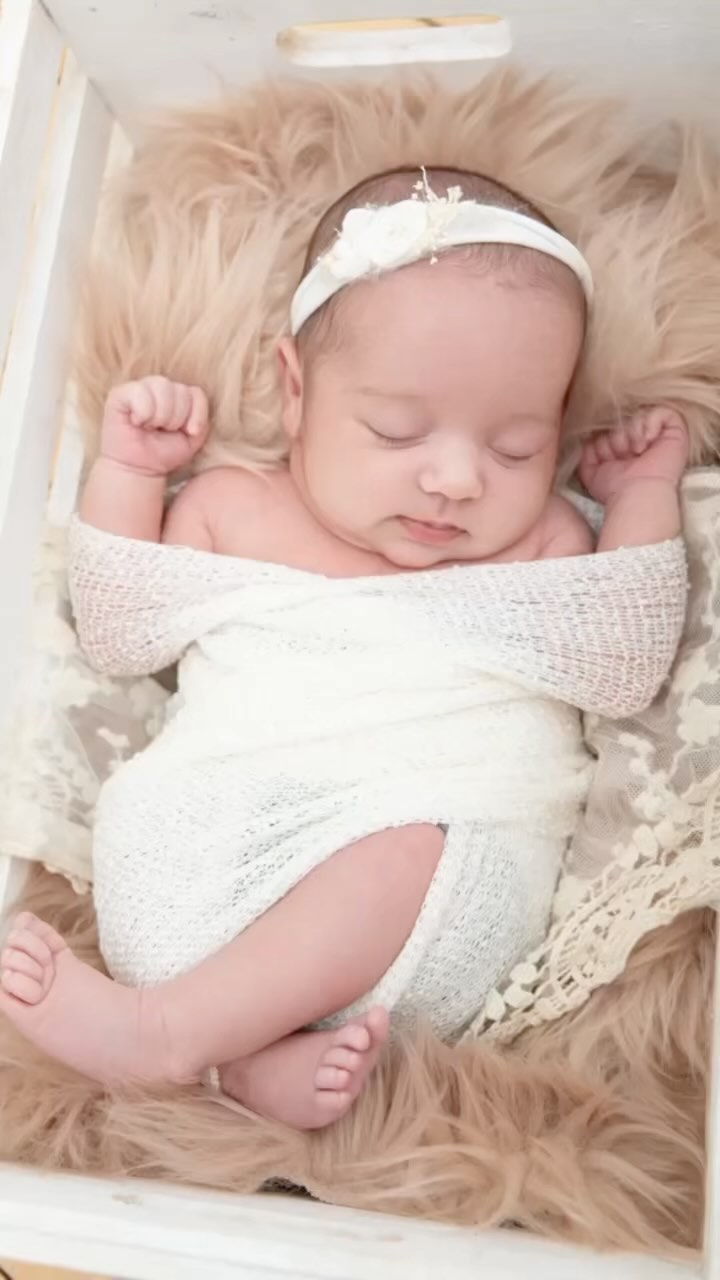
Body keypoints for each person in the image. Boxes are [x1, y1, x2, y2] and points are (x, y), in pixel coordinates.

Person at [0, 167, 688, 1130]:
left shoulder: (543, 543)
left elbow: (622, 661)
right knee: (295, 845)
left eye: (518, 447)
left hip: (432, 907)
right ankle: (241, 1058)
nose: (453, 478)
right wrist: (128, 475)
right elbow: (118, 635)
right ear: (295, 389)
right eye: (397, 431)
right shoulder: (232, 507)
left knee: (399, 846)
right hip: (199, 870)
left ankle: (168, 1036)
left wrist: (641, 497)